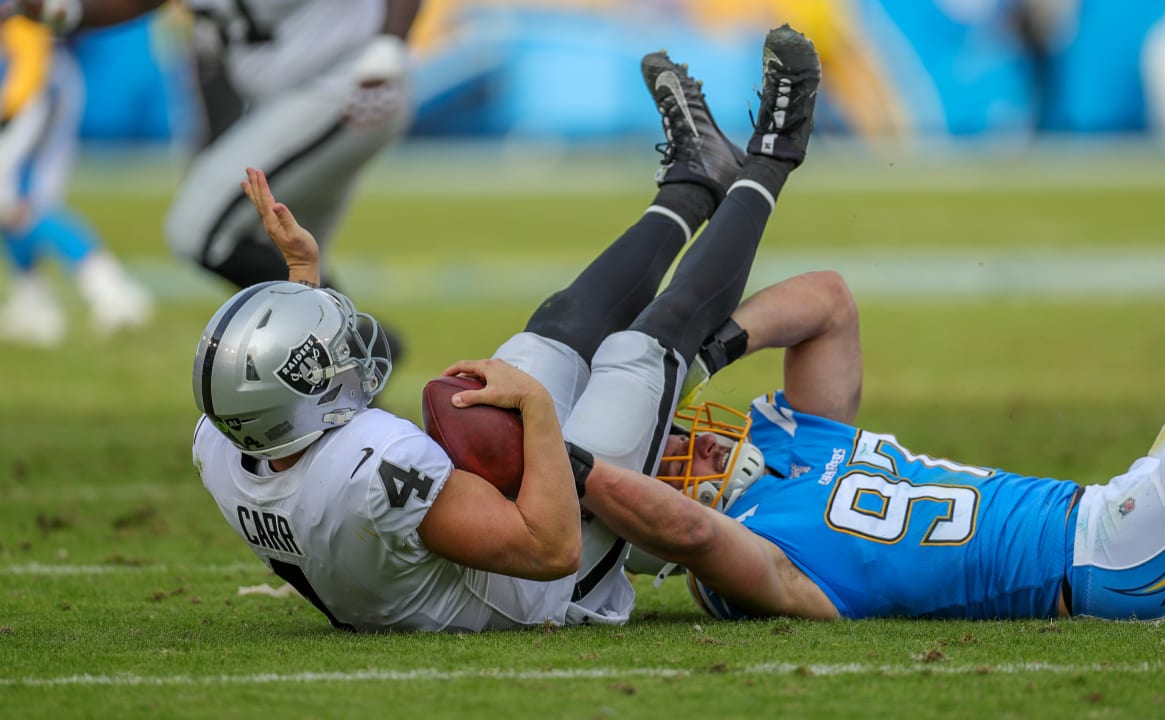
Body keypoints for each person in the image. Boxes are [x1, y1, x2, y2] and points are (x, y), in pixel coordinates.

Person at [186, 24, 822, 632]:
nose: (345, 360)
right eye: (327, 366)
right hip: (542, 591)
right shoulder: (375, 468)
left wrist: (304, 274)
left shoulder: (227, 441)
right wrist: (538, 410)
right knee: (643, 347)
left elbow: (286, 399)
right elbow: (550, 550)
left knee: (555, 328)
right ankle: (775, 153)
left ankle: (694, 179)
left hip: (456, 548)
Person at [568, 263, 1165, 622]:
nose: (690, 442)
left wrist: (699, 359)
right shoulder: (745, 565)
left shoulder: (793, 437)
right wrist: (575, 466)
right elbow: (690, 531)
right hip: (1126, 571)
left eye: (673, 432)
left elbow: (829, 301)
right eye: (663, 457)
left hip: (1109, 513)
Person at [8, 0, 422, 357]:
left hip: (349, 83)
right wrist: (65, 10)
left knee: (198, 228)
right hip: (287, 100)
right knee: (286, 251)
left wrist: (390, 43)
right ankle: (351, 394)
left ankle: (358, 344)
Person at [0, 14, 151, 346]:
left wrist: (11, 103)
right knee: (11, 201)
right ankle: (32, 299)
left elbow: (26, 31)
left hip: (33, 79)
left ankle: (111, 289)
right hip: (26, 77)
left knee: (22, 199)